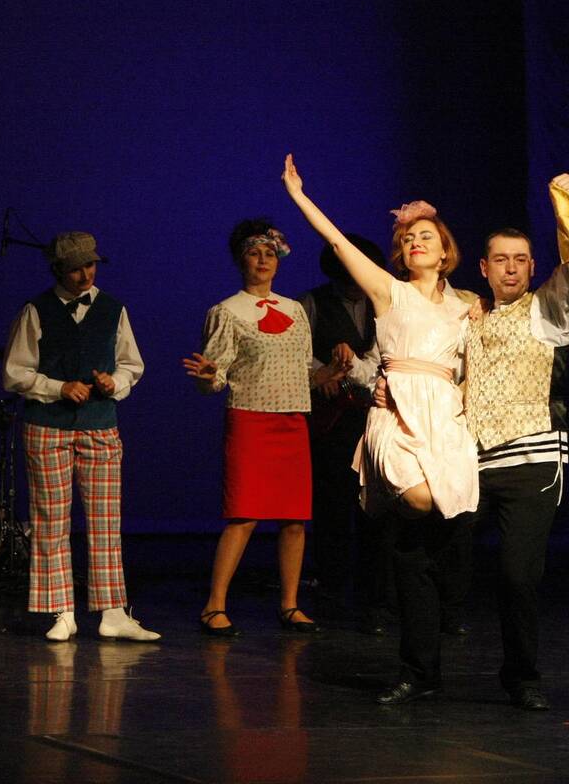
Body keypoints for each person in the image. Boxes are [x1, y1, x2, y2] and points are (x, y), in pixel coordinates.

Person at [379, 174, 569, 709]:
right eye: (500, 259)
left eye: (520, 260)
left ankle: (522, 678)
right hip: (469, 461)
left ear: (532, 266)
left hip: (531, 464)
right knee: (417, 556)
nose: (511, 268)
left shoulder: (549, 310)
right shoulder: (465, 312)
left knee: (517, 575)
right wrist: (384, 387)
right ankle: (420, 671)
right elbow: (416, 352)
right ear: (483, 267)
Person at [281, 154, 479, 704]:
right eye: (408, 237)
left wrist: (461, 397)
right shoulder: (391, 291)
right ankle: (406, 546)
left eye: (425, 236)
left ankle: (421, 664)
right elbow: (339, 242)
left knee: (433, 540)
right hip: (394, 413)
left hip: (444, 416)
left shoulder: (467, 307)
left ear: (445, 251)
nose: (415, 242)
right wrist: (299, 195)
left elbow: (479, 367)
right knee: (419, 501)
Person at [184, 219, 342, 636]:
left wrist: (329, 373)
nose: (262, 260)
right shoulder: (227, 311)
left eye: (269, 253)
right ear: (241, 261)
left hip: (292, 420)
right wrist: (207, 375)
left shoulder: (294, 310)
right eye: (254, 253)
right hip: (251, 419)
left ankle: (290, 604)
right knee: (245, 515)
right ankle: (214, 605)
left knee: (294, 519)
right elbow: (215, 378)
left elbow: (303, 370)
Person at [3, 231, 159, 643]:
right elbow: (15, 372)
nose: (85, 274)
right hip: (47, 426)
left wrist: (114, 382)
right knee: (50, 521)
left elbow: (131, 364)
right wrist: (59, 387)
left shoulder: (113, 309)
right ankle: (63, 611)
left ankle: (112, 613)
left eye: (89, 265)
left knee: (105, 521)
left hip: (99, 424)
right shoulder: (36, 310)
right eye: (75, 268)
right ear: (57, 269)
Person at [298, 236, 395, 633]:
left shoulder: (382, 303)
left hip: (373, 415)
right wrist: (322, 373)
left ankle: (375, 592)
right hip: (332, 419)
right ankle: (331, 584)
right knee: (332, 503)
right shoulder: (313, 302)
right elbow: (297, 352)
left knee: (373, 504)